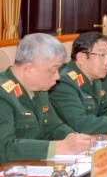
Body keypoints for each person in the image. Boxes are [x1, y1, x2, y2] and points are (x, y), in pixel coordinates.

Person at [0, 33, 92, 163]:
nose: (58, 77)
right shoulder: (3, 94)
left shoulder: (39, 89)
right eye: (53, 70)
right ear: (29, 69)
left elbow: (54, 127)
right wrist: (59, 147)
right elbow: (4, 148)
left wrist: (74, 138)